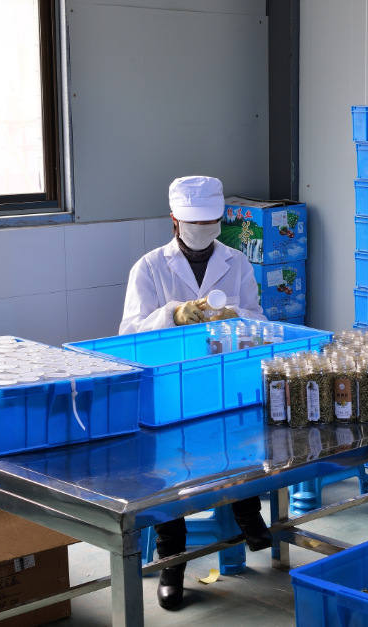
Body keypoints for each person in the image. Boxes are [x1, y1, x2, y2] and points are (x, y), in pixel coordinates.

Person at [120, 175, 272, 611]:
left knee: (241, 434)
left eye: (210, 221)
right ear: (174, 219)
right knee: (171, 462)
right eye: (194, 221)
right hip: (172, 384)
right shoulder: (149, 267)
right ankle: (172, 560)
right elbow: (128, 332)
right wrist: (173, 314)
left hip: (224, 378)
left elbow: (260, 323)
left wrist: (235, 315)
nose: (203, 229)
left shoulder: (237, 263)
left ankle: (246, 510)